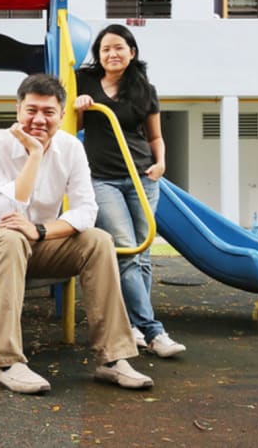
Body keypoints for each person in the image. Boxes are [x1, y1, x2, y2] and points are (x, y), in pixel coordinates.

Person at [0, 74, 153, 394]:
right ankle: (7, 363)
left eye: (48, 112)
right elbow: (5, 210)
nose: (39, 119)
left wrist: (39, 231)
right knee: (10, 238)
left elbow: (85, 209)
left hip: (36, 241)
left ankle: (113, 359)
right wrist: (35, 155)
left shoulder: (71, 148)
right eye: (31, 110)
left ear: (62, 115)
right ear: (18, 110)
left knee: (99, 240)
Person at [75, 24, 186, 358]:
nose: (112, 54)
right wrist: (80, 107)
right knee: (126, 249)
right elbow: (75, 127)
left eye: (119, 48)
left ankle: (135, 326)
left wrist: (161, 163)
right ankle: (154, 331)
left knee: (144, 254)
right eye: (106, 48)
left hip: (141, 176)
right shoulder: (85, 83)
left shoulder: (144, 89)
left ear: (131, 52)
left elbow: (154, 137)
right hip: (103, 179)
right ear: (99, 54)